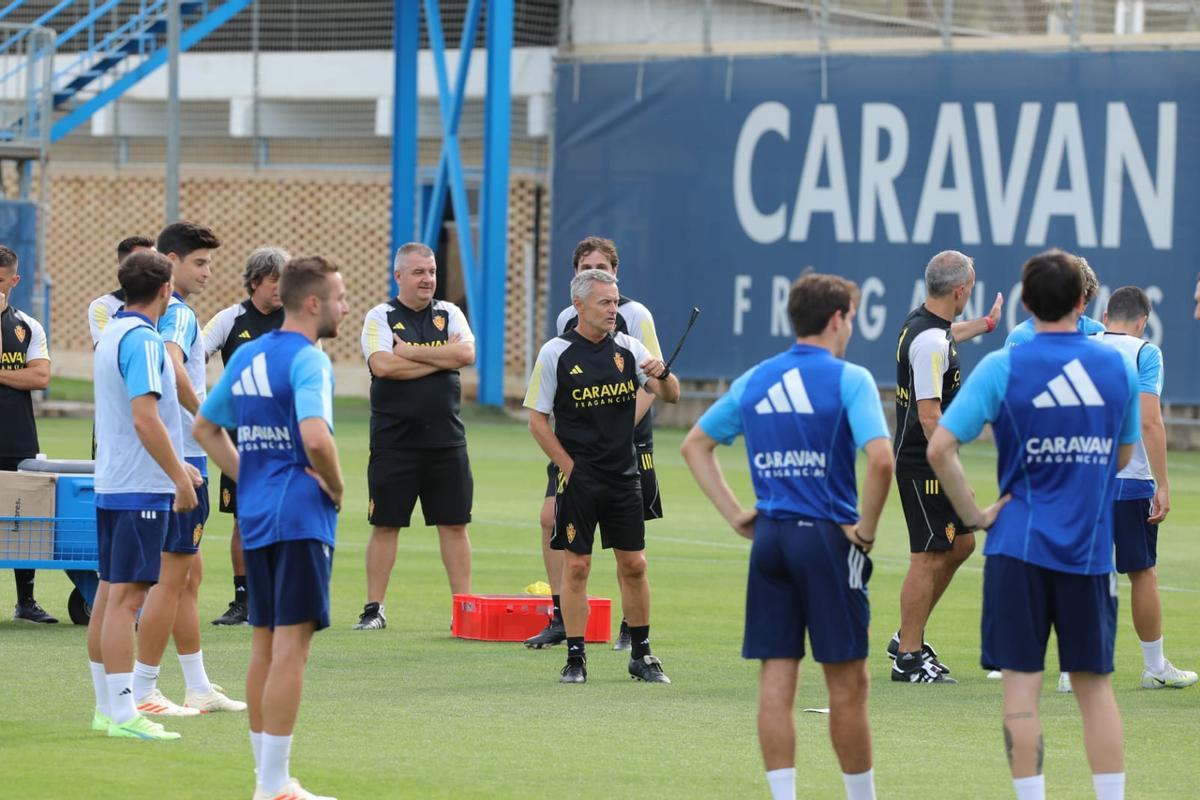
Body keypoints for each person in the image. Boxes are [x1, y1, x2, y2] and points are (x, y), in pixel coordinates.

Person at [927, 249, 1139, 800]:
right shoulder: (1116, 367)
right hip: (1088, 553)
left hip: (1016, 551)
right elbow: (1122, 455)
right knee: (1096, 692)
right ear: (1082, 301)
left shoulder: (1005, 366)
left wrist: (974, 516)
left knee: (1021, 694)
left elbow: (940, 447)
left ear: (1026, 304)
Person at [681, 272, 892, 800]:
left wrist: (736, 514)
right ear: (837, 318)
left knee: (776, 682)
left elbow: (694, 444)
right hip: (826, 540)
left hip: (771, 540)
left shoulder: (756, 378)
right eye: (851, 318)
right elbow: (882, 460)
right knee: (848, 684)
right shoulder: (851, 379)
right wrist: (865, 533)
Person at [194, 255, 347, 800]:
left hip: (258, 516)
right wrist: (336, 486)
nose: (344, 307)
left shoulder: (248, 354)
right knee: (291, 650)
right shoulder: (310, 360)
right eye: (339, 298)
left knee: (264, 643)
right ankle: (276, 785)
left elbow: (205, 427)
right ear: (314, 302)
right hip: (301, 517)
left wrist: (252, 477)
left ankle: (268, 780)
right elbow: (316, 436)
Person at [524, 269, 680, 684]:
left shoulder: (629, 348)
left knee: (635, 564)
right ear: (579, 305)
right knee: (577, 567)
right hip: (579, 481)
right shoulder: (555, 353)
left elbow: (671, 395)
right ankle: (576, 658)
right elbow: (537, 422)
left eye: (615, 302)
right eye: (604, 303)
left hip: (623, 477)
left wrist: (663, 375)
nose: (613, 310)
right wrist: (569, 468)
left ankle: (642, 654)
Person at [1055, 288, 1194, 693]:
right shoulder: (1145, 353)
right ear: (1143, 321)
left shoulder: (1080, 346)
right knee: (1142, 572)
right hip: (1130, 478)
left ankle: (1072, 670)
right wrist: (1163, 484)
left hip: (1081, 477)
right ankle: (1154, 667)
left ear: (1104, 315)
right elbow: (1149, 421)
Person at [131, 221, 245, 717]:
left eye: (209, 263)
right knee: (170, 579)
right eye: (199, 262)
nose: (207, 272)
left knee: (188, 579)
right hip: (183, 460)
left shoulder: (152, 313)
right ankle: (144, 689)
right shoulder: (177, 313)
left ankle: (197, 686)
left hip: (171, 457)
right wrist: (205, 416)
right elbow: (173, 362)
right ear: (170, 262)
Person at [87, 250, 200, 740]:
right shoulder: (145, 340)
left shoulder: (112, 332)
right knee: (128, 598)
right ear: (166, 290)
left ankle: (106, 708)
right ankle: (123, 713)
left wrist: (175, 469)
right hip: (139, 487)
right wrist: (179, 477)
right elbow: (145, 418)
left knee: (109, 593)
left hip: (114, 481)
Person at [889, 250, 1002, 682]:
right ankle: (909, 657)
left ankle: (908, 633)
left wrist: (985, 325)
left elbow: (949, 334)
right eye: (969, 289)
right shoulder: (931, 344)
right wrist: (953, 474)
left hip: (925, 459)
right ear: (958, 291)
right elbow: (930, 417)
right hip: (923, 464)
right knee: (928, 556)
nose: (969, 294)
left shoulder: (924, 323)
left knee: (961, 544)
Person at [354, 242, 475, 630]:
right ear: (399, 276)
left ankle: (464, 611)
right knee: (386, 524)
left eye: (432, 272)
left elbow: (466, 355)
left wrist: (410, 352)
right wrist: (440, 359)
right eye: (419, 272)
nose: (428, 279)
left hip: (446, 440)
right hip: (394, 442)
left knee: (454, 524)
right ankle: (374, 609)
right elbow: (384, 366)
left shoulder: (450, 312)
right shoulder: (381, 316)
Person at [202, 246, 288, 626]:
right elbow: (192, 354)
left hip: (285, 437)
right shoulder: (230, 319)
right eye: (274, 280)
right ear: (255, 282)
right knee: (243, 518)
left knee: (285, 517)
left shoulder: (295, 321)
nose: (280, 288)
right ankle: (243, 600)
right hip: (240, 438)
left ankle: (279, 597)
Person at [0, 245, 55, 623]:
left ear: (14, 281)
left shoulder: (28, 325)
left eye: (0, 280)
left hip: (16, 436)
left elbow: (40, 376)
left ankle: (26, 601)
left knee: (23, 516)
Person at [1005, 255, 1104, 346]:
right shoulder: (1021, 336)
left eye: (1085, 302)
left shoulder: (1097, 331)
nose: (1081, 309)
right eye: (1067, 298)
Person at [86, 236, 155, 348]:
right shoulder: (103, 307)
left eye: (157, 261)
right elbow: (109, 350)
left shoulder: (170, 306)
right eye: (145, 262)